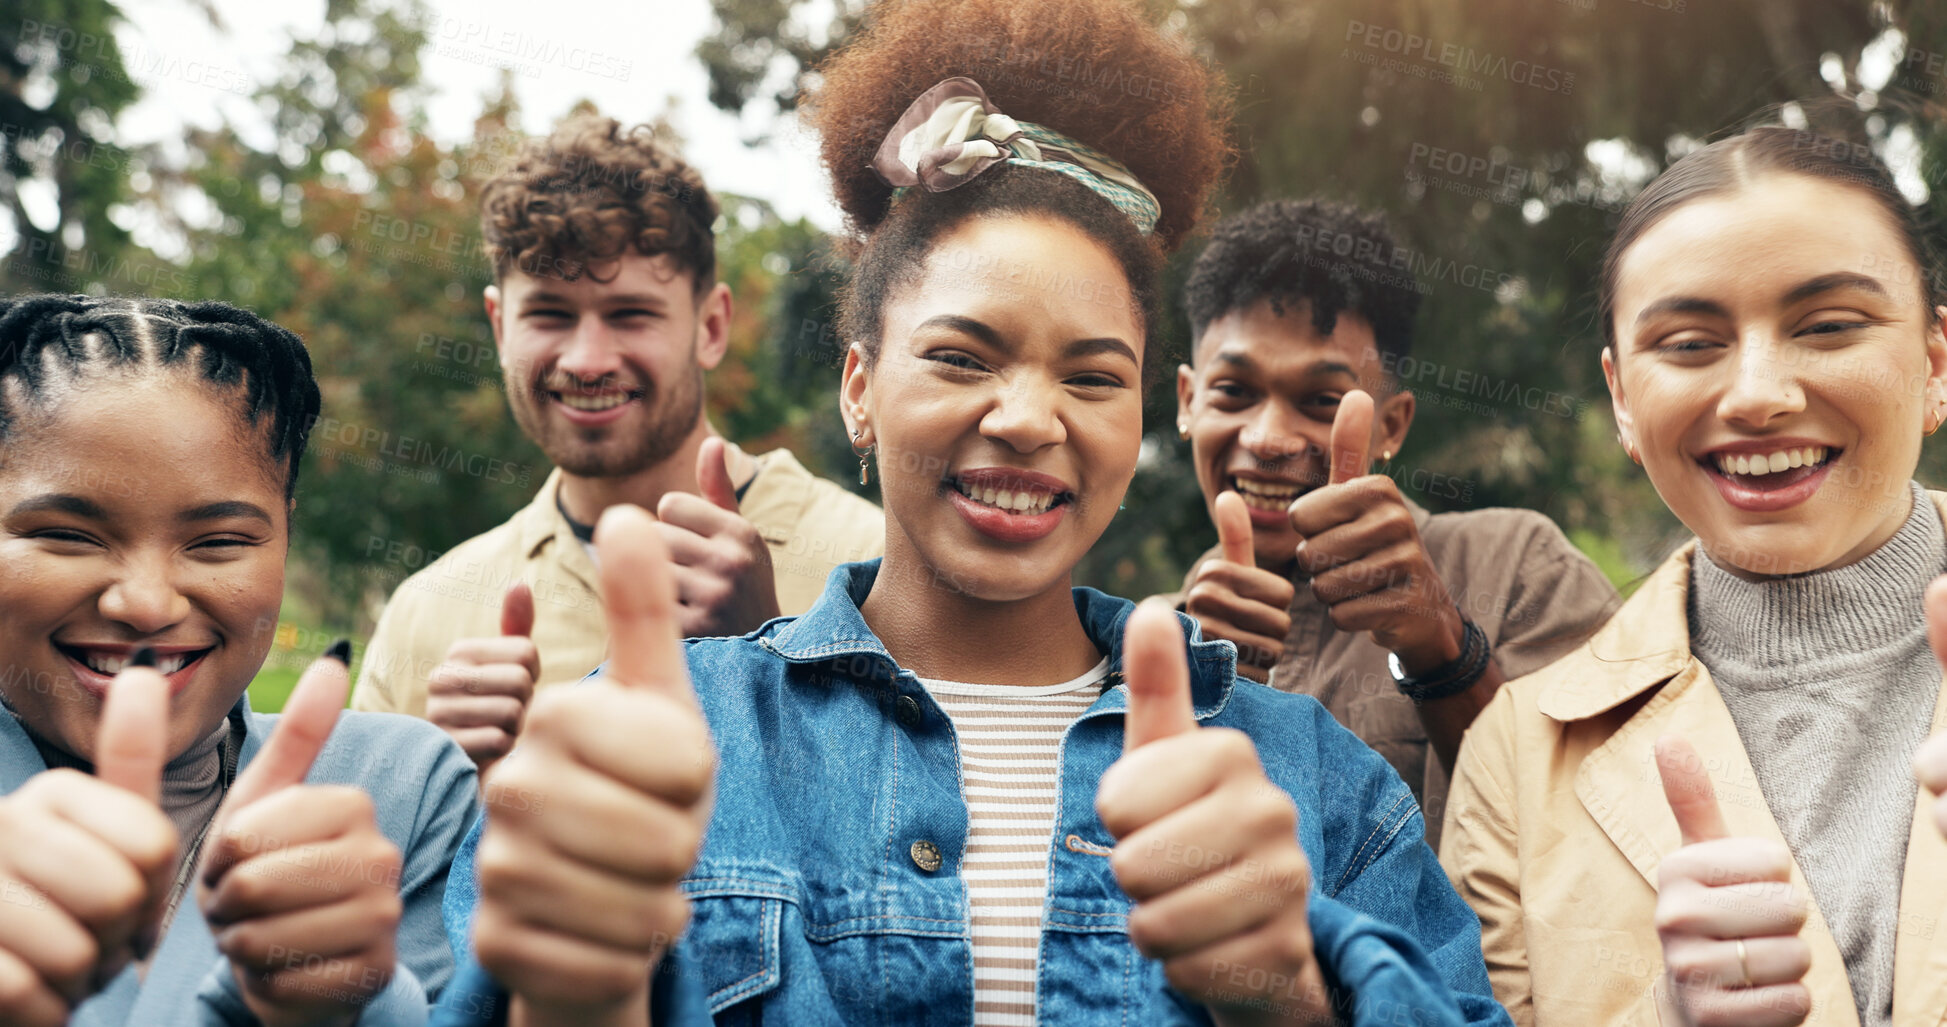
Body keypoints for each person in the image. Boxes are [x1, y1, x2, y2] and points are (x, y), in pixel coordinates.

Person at [431, 1, 1510, 1025]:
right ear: (859, 386)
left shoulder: (1311, 778)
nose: (1029, 418)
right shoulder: (648, 741)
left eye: (1091, 379)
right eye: (961, 357)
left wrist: (1292, 997)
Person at [1440, 124, 1947, 1027]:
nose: (1756, 394)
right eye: (1686, 343)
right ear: (1623, 402)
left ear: (1935, 363)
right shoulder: (1514, 757)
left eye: (1828, 326)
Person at [350, 115, 885, 772]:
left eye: (631, 314)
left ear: (711, 326)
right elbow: (367, 870)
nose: (586, 359)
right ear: (498, 326)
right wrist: (435, 786)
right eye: (549, 313)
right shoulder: (426, 613)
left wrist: (763, 662)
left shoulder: (877, 565)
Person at [0, 295, 478, 1026]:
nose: (147, 603)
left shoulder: (406, 789)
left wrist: (356, 1001)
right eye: (67, 534)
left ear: (286, 538)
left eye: (219, 542)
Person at [1170, 198, 1618, 839]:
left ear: (1393, 425)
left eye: (1322, 401)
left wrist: (1445, 653)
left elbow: (1602, 838)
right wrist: (1205, 708)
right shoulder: (1137, 642)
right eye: (1234, 393)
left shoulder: (1519, 567)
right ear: (1188, 402)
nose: (1267, 437)